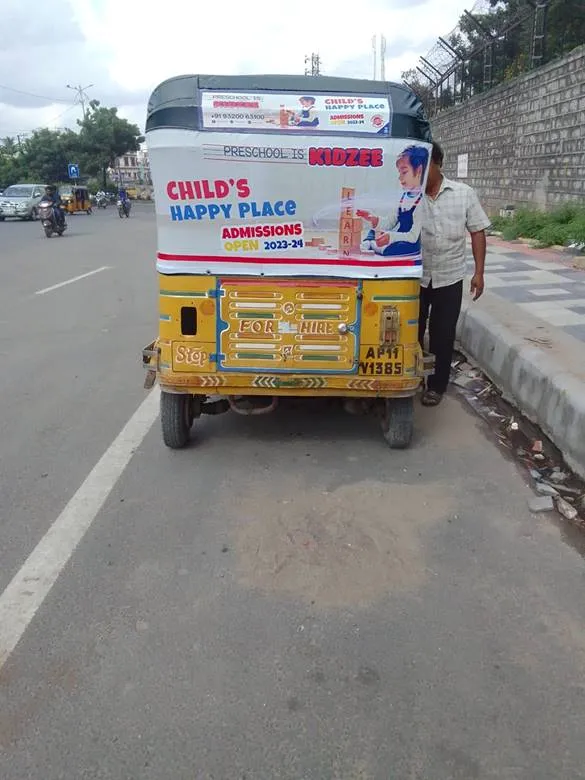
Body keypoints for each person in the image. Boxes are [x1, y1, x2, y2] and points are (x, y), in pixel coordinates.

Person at [418, 141, 491, 407]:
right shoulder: (408, 194)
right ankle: (413, 378)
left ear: (438, 164)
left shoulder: (463, 193)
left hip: (449, 276)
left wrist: (479, 273)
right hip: (415, 276)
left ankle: (436, 386)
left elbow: (477, 231)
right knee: (412, 329)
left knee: (443, 333)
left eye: (425, 167)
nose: (421, 173)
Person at [357, 145, 429, 256]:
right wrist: (374, 219)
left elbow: (413, 236)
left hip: (409, 242)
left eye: (404, 172)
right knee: (373, 231)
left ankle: (372, 245)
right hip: (398, 237)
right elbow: (390, 222)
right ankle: (371, 243)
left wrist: (391, 237)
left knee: (400, 248)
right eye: (399, 173)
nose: (400, 178)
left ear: (419, 170)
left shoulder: (422, 202)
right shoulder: (403, 198)